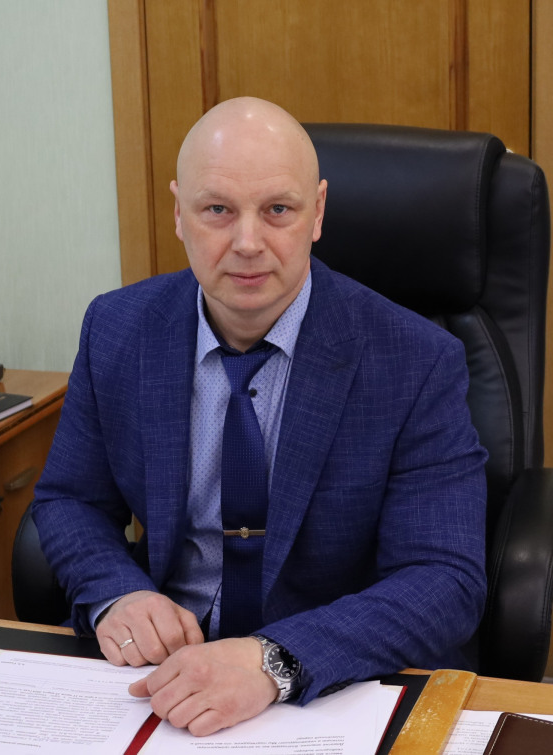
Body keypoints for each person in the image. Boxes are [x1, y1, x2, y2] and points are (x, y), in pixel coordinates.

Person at [32, 96, 487, 736]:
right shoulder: (117, 328)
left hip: (328, 687)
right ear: (179, 213)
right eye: (217, 210)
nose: (248, 244)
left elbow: (444, 579)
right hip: (160, 678)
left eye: (278, 210)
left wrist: (273, 660)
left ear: (317, 212)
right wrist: (116, 593)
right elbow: (69, 499)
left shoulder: (415, 359)